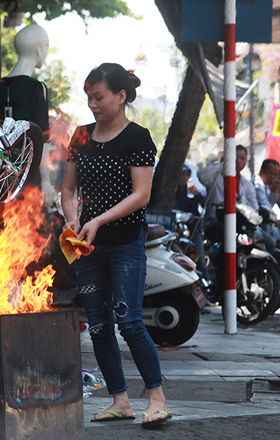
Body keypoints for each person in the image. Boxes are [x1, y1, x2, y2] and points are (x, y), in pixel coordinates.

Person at [60, 63, 170, 429]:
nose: (92, 104)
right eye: (89, 97)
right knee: (98, 326)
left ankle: (157, 398)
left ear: (121, 97)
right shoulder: (80, 135)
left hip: (124, 241)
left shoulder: (138, 138)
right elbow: (68, 189)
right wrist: (72, 217)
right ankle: (119, 400)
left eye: (99, 96)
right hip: (87, 245)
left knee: (129, 320)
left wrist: (98, 219)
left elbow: (142, 195)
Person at [0, 24, 50, 141]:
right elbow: (43, 136)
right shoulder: (37, 87)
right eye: (46, 45)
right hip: (27, 158)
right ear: (39, 50)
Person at [174, 166, 209, 281]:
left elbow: (202, 203)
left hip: (193, 228)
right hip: (177, 230)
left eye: (186, 174)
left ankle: (206, 282)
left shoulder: (191, 190)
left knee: (201, 259)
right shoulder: (174, 191)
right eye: (181, 174)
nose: (184, 177)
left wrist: (196, 194)